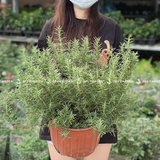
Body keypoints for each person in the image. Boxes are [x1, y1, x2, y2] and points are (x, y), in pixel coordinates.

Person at [37, 0, 123, 160]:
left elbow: (119, 71)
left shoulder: (111, 27)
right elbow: (40, 70)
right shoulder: (51, 27)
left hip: (99, 116)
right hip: (59, 115)